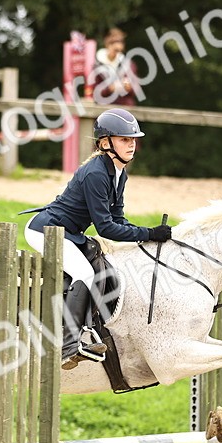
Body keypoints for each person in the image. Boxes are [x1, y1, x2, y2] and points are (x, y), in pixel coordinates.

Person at [23, 108, 172, 369]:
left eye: (133, 139)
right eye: (125, 139)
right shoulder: (96, 173)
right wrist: (148, 233)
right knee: (85, 274)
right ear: (106, 143)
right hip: (45, 231)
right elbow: (106, 228)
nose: (132, 145)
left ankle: (87, 330)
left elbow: (118, 219)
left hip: (68, 233)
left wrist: (146, 236)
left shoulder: (118, 174)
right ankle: (68, 346)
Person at [93, 27, 139, 106]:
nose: (117, 46)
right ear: (107, 43)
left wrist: (129, 88)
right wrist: (109, 89)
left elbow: (136, 90)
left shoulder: (129, 65)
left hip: (124, 108)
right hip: (104, 109)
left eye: (120, 42)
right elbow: (93, 92)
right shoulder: (96, 65)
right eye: (113, 43)